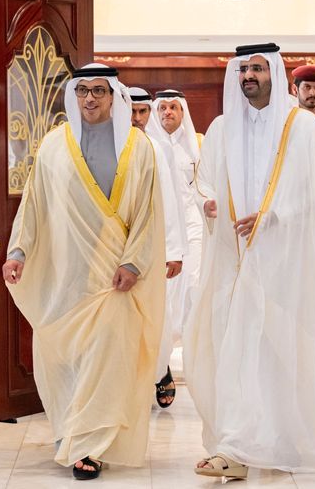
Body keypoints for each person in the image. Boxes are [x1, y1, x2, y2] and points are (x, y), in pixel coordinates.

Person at [183, 43, 315, 479]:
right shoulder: (221, 128)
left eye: (258, 68)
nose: (250, 76)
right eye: (243, 69)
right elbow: (204, 182)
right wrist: (209, 203)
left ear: (275, 73)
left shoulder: (302, 128)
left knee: (279, 355)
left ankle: (277, 439)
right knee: (235, 350)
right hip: (233, 263)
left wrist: (274, 217)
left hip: (286, 263)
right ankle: (234, 445)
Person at [1, 64, 166, 480]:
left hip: (115, 277)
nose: (90, 98)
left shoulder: (138, 146)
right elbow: (33, 204)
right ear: (74, 96)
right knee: (64, 359)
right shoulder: (54, 146)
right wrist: (19, 250)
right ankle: (71, 433)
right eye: (83, 91)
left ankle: (89, 446)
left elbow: (148, 212)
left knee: (107, 357)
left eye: (99, 91)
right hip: (65, 277)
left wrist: (133, 261)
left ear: (113, 96)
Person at [146, 89, 204, 409]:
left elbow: (203, 189)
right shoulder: (146, 147)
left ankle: (196, 368)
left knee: (192, 296)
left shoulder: (196, 145)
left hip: (193, 231)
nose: (168, 112)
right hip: (159, 234)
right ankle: (159, 368)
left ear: (183, 111)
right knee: (163, 306)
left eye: (174, 107)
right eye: (163, 107)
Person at [128, 86, 185, 408]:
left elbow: (171, 203)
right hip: (119, 251)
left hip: (155, 249)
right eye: (132, 112)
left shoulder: (156, 148)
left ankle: (160, 371)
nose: (137, 118)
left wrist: (174, 251)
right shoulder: (117, 147)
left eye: (143, 112)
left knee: (158, 319)